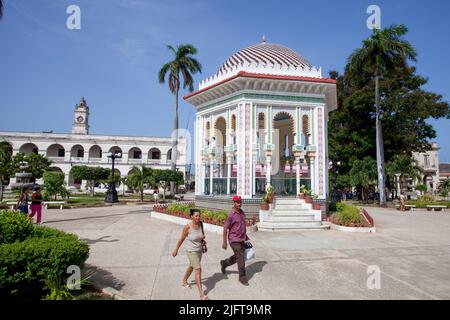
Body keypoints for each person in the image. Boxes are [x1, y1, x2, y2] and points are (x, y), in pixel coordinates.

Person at [172, 208, 208, 300]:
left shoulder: (201, 224)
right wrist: (176, 249)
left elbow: (201, 236)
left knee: (192, 266)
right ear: (191, 216)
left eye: (199, 215)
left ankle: (184, 280)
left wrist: (202, 241)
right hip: (191, 251)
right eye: (196, 216)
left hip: (199, 250)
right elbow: (181, 239)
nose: (198, 217)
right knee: (198, 269)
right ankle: (201, 294)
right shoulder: (187, 227)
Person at [220, 195, 250, 286]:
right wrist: (224, 242)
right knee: (241, 257)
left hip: (241, 238)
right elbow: (225, 228)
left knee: (239, 256)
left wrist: (246, 237)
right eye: (237, 202)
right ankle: (242, 277)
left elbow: (242, 226)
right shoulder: (231, 214)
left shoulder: (242, 213)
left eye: (240, 202)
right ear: (234, 203)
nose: (239, 204)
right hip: (233, 239)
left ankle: (225, 263)